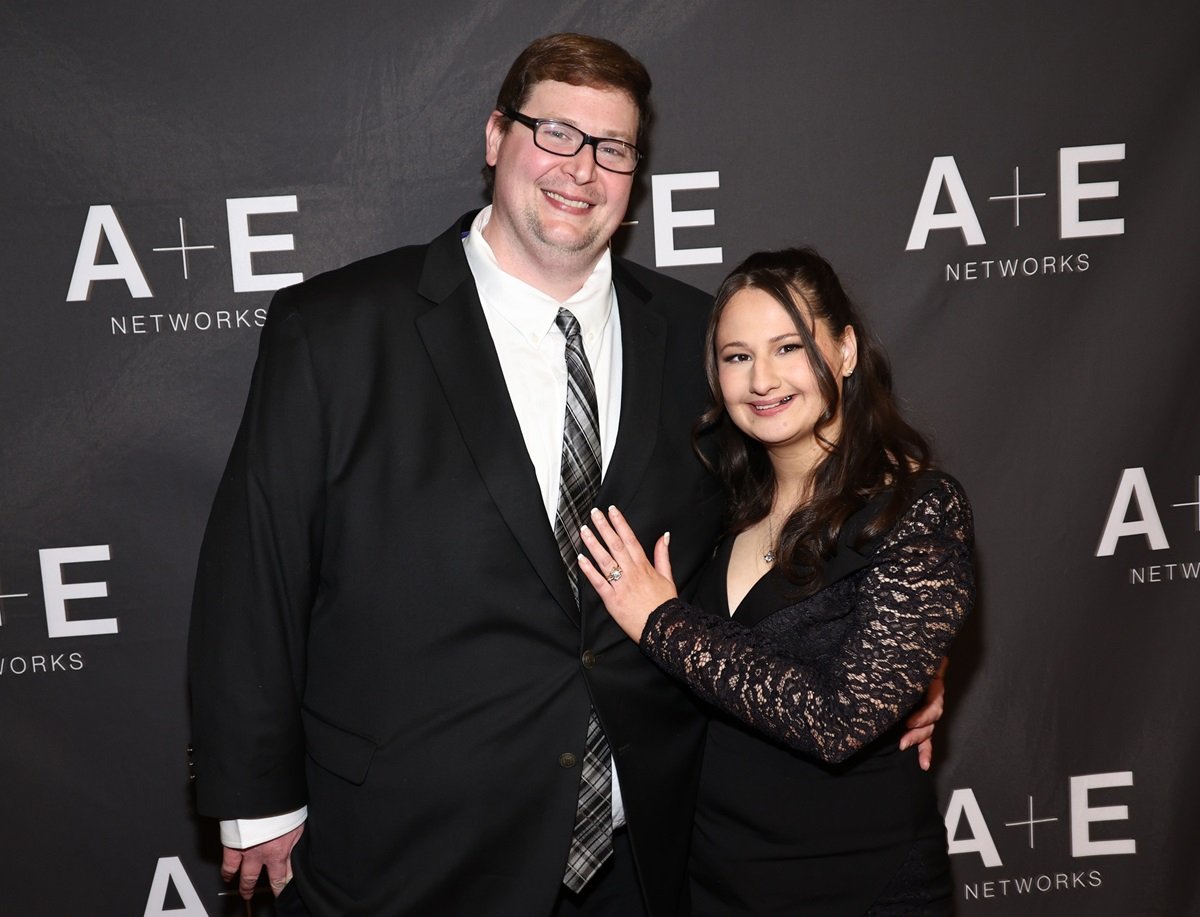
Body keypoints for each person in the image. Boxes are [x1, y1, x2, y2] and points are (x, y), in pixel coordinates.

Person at [188, 34, 942, 917]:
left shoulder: (702, 341)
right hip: (409, 846)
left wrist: (913, 647)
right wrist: (255, 792)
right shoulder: (337, 329)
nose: (581, 168)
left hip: (648, 853)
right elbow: (256, 566)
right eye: (554, 133)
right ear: (495, 138)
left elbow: (815, 493)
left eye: (612, 148)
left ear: (635, 175)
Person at [580, 247, 974, 915]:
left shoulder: (916, 507)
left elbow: (841, 717)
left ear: (846, 350)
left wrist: (663, 620)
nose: (762, 379)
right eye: (737, 356)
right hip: (711, 884)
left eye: (789, 346)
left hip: (857, 888)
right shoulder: (719, 504)